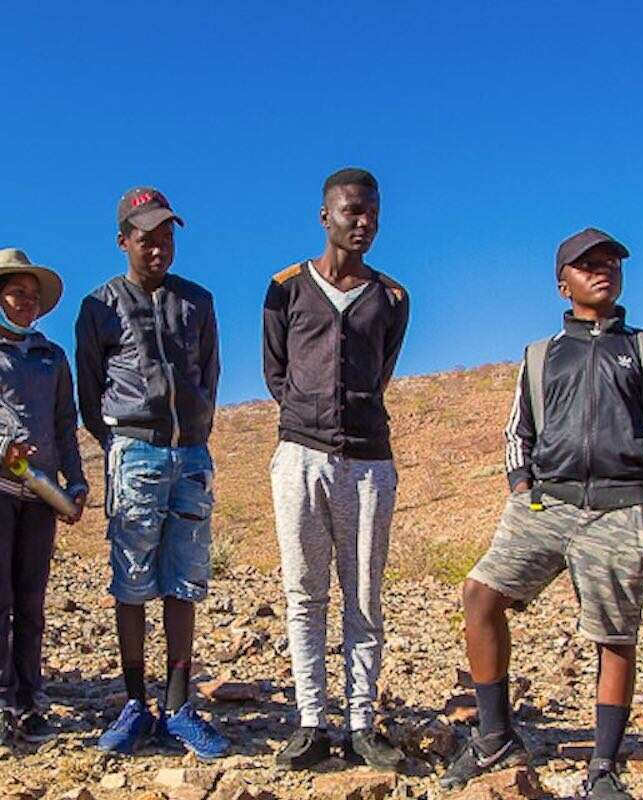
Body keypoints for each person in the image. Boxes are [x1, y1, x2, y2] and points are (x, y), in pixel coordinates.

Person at [442, 228, 643, 800]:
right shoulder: (540, 355)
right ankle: (494, 736)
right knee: (481, 595)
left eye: (610, 262)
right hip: (546, 503)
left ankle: (604, 769)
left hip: (624, 507)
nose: (602, 270)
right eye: (587, 265)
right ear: (564, 284)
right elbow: (519, 431)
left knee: (614, 636)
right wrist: (520, 486)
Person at [262, 168, 410, 771]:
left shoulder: (392, 298)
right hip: (299, 455)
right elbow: (277, 372)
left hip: (369, 462)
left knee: (364, 595)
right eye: (351, 211)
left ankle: (361, 722)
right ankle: (309, 720)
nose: (363, 223)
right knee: (304, 594)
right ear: (325, 216)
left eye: (372, 212)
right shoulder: (286, 288)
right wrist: (309, 418)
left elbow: (380, 373)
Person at [76, 187, 228, 760]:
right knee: (132, 581)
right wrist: (118, 441)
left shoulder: (198, 301)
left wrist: (195, 432)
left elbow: (209, 375)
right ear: (124, 241)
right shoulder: (98, 306)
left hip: (190, 455)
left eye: (167, 235)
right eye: (147, 237)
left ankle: (181, 705)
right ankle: (136, 703)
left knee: (184, 580)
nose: (159, 246)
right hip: (134, 452)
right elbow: (90, 390)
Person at [0, 249, 87, 747]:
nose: (26, 304)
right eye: (17, 294)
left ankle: (32, 701)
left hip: (39, 493)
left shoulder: (53, 358)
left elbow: (64, 426)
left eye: (33, 298)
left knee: (31, 601)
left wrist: (73, 483)